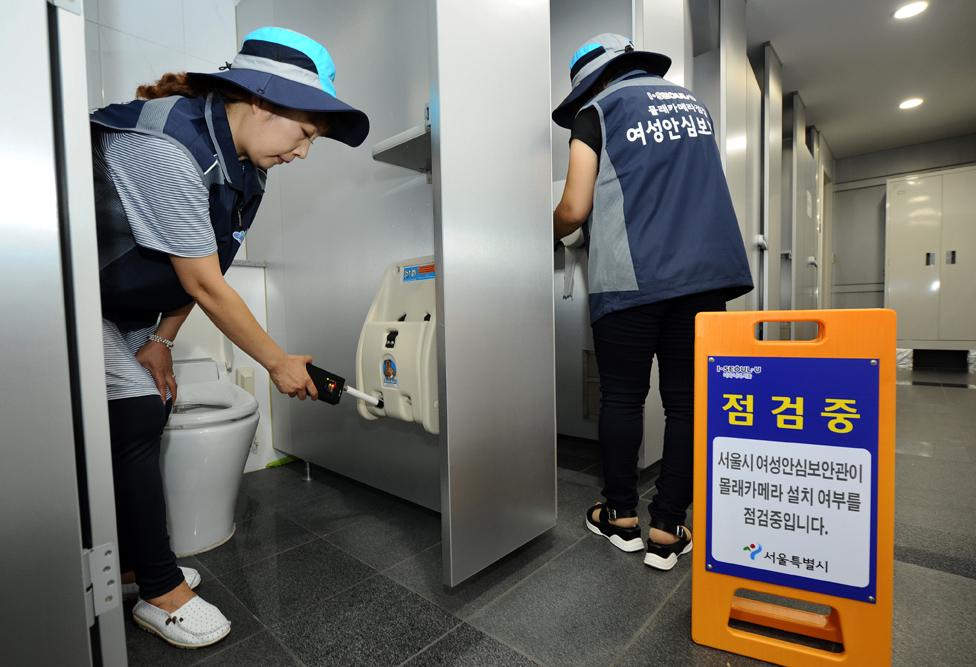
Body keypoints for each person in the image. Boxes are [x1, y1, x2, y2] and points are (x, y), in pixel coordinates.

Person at [92, 27, 369, 648]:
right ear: (263, 101)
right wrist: (276, 363)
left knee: (144, 411)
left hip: (118, 303)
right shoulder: (167, 146)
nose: (303, 154)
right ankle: (161, 594)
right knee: (135, 412)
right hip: (64, 293)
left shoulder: (247, 172)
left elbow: (199, 272)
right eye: (305, 135)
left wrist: (161, 342)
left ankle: (134, 561)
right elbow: (207, 282)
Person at [551, 34, 753, 571]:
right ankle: (667, 528)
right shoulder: (695, 107)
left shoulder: (595, 111)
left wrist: (545, 232)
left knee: (622, 397)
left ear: (590, 82)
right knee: (688, 404)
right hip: (704, 279)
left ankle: (619, 518)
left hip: (631, 279)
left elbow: (574, 206)